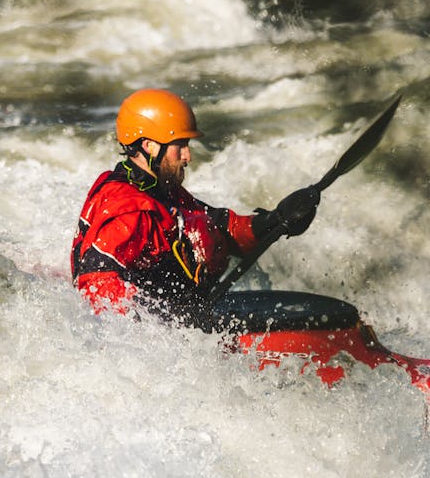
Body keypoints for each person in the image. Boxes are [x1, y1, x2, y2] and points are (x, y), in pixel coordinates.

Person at [71, 88, 320, 324]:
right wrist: (167, 323)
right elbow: (95, 285)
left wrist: (276, 221)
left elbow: (223, 227)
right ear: (149, 146)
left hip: (186, 317)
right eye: (180, 146)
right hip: (158, 338)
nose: (188, 156)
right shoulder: (130, 210)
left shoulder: (159, 190)